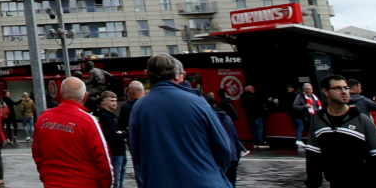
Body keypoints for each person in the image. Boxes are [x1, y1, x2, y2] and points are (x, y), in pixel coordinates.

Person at [125, 55, 237, 188]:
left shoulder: (139, 107)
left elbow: (136, 152)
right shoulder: (198, 102)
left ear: (148, 74)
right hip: (204, 179)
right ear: (176, 75)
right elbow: (222, 147)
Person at [302, 75, 376, 188]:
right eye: (338, 88)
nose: (344, 92)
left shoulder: (362, 120)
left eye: (346, 88)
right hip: (335, 183)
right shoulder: (318, 119)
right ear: (325, 91)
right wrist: (313, 182)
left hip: (363, 182)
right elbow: (313, 154)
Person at [32, 78, 112, 188]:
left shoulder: (43, 118)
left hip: (53, 183)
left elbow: (37, 153)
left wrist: (46, 176)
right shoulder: (88, 121)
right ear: (85, 96)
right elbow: (103, 159)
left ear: (61, 94)